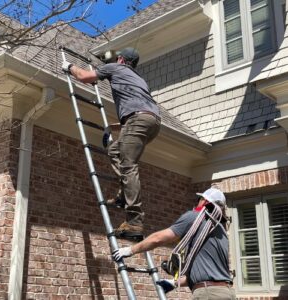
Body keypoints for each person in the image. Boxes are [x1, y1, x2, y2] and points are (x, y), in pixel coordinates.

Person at [62, 47, 161, 236]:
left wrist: (70, 66)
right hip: (152, 122)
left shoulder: (115, 67)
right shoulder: (139, 79)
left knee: (128, 165)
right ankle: (124, 195)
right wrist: (111, 127)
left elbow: (83, 76)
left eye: (117, 59)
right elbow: (135, 116)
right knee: (115, 149)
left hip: (138, 120)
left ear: (121, 60)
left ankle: (134, 222)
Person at [112, 187, 236, 300]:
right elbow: (209, 273)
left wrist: (130, 250)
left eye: (199, 199)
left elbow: (158, 238)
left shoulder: (194, 217)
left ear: (204, 201)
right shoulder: (221, 232)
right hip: (227, 292)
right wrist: (174, 283)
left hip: (209, 294)